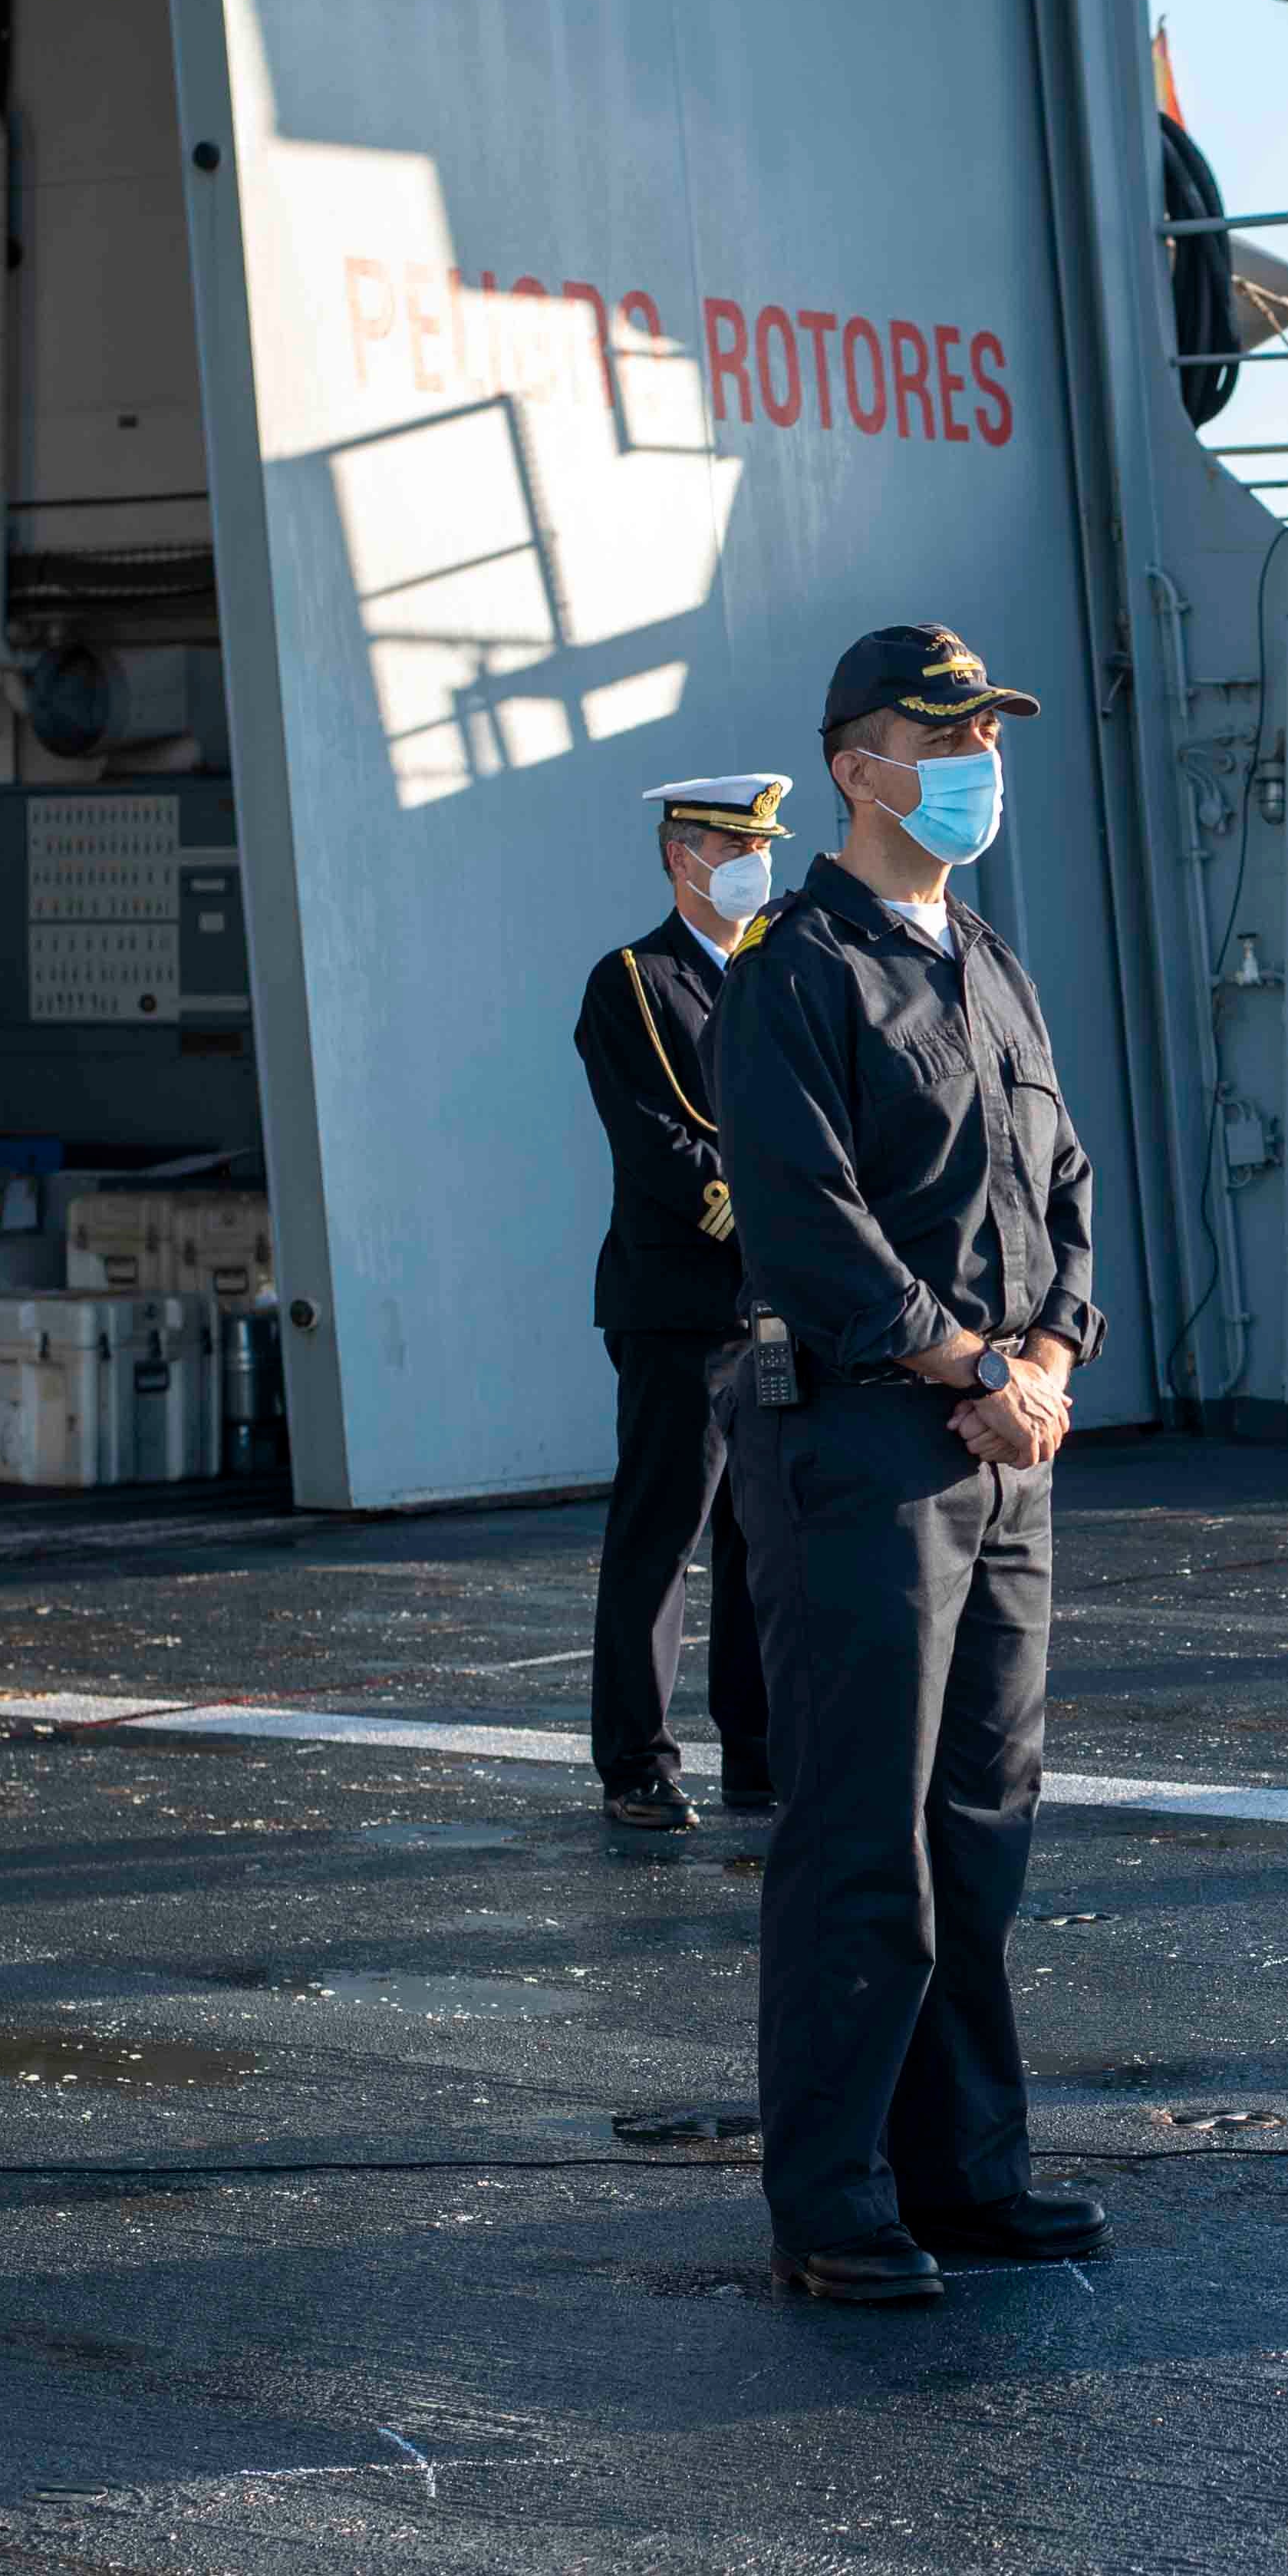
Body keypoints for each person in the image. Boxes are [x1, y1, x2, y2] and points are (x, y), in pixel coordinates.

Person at [712, 625, 1106, 2303]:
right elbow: (806, 1220)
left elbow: (1065, 1182)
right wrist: (968, 1361)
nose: (974, 762)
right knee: (861, 1829)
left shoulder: (990, 962)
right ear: (857, 767)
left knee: (980, 1824)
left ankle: (968, 2170)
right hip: (863, 1439)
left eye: (986, 733)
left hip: (1000, 1438)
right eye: (940, 736)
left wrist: (1050, 1356)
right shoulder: (789, 970)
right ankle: (833, 2193)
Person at [573, 770, 790, 1831]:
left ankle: (756, 1755)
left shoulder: (780, 972)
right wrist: (780, 1217)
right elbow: (662, 1142)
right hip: (682, 1304)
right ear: (681, 858)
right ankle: (638, 1766)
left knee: (765, 1535)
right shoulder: (635, 981)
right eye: (730, 847)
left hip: (775, 1308)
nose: (753, 865)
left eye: (761, 847)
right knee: (662, 1534)